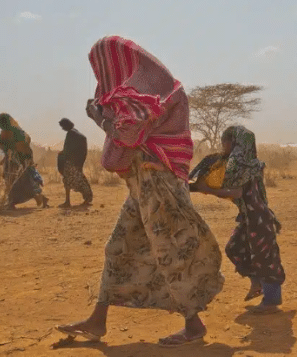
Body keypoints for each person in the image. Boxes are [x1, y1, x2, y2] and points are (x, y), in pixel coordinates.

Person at [55, 35, 225, 347]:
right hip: (142, 184)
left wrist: (97, 118)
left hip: (157, 183)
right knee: (119, 247)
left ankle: (193, 323)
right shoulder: (150, 92)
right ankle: (98, 321)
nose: (103, 75)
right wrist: (104, 114)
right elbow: (126, 130)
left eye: (105, 65)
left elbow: (128, 135)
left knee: (170, 251)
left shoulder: (151, 95)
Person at [191, 125, 286, 314]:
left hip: (258, 218)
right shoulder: (245, 164)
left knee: (264, 257)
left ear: (233, 142)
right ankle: (257, 283)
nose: (222, 146)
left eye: (224, 142)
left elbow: (235, 191)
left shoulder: (243, 165)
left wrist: (208, 190)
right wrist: (191, 187)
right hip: (248, 217)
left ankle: (272, 301)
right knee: (234, 248)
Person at [0, 113, 49, 209]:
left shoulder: (16, 132)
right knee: (16, 182)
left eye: (0, 123)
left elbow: (24, 148)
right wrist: (7, 155)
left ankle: (14, 202)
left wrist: (23, 160)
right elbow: (1, 143)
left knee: (20, 182)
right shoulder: (9, 132)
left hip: (19, 162)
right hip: (14, 162)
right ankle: (37, 198)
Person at [57, 118, 93, 207]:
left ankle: (68, 201)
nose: (62, 128)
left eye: (63, 126)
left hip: (71, 162)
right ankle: (85, 198)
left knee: (72, 181)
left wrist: (61, 154)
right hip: (77, 162)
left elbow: (67, 150)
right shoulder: (76, 133)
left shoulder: (71, 134)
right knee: (75, 180)